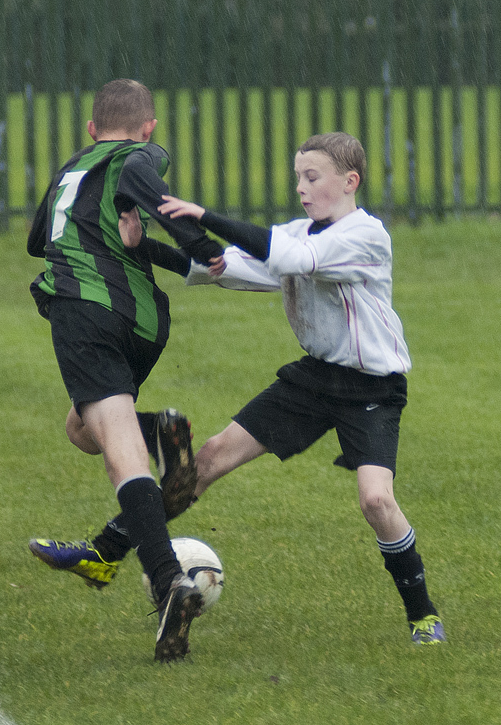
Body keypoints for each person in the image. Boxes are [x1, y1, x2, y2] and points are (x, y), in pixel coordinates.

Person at [101, 131, 444, 645]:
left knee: (376, 500)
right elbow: (229, 269)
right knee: (210, 457)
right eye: (298, 178)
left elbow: (289, 259)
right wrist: (145, 246)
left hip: (371, 387)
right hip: (314, 379)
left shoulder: (365, 235)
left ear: (350, 181)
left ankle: (423, 616)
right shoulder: (301, 231)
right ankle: (109, 548)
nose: (302, 188)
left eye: (313, 177)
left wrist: (202, 218)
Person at [25, 78, 223, 662]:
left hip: (85, 310)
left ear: (92, 129)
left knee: (114, 445)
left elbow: (40, 238)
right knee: (81, 430)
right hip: (141, 320)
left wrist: (199, 244)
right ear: (150, 122)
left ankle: (167, 583)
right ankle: (155, 431)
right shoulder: (132, 152)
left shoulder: (87, 165)